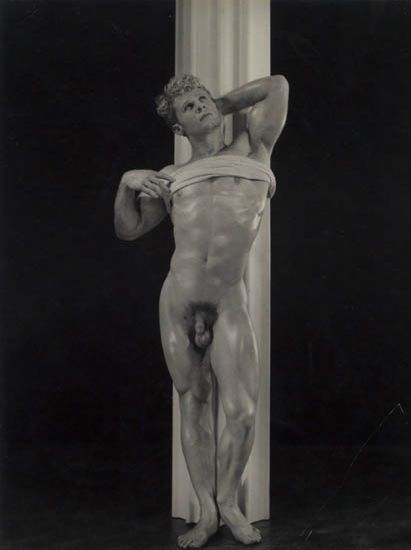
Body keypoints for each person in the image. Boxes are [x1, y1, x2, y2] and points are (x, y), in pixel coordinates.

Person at [114, 74, 288, 548]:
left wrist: (221, 103)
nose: (201, 108)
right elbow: (129, 229)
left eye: (203, 100)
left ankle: (229, 502)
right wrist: (126, 184)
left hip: (228, 298)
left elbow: (276, 86)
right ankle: (208, 513)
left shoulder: (255, 148)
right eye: (189, 108)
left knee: (242, 410)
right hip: (179, 298)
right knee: (192, 401)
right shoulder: (171, 175)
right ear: (178, 128)